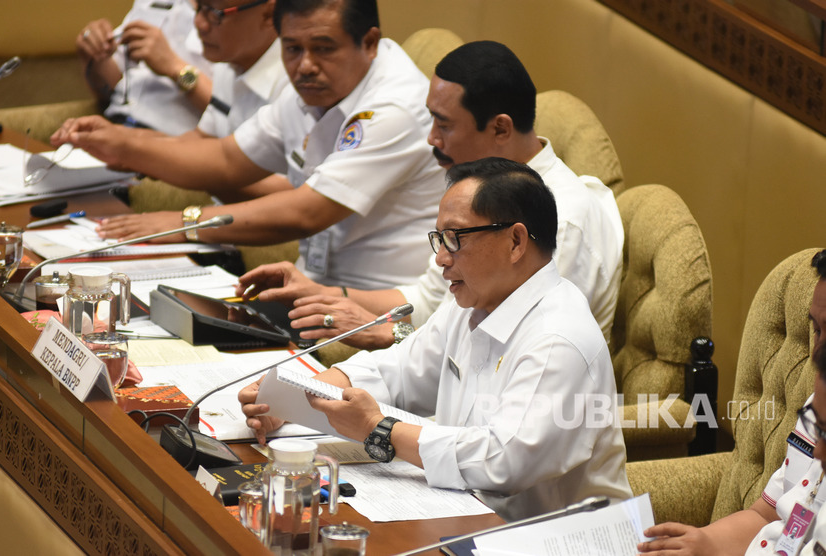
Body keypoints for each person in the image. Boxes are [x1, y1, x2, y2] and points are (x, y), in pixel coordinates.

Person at [239, 158, 633, 522]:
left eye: (455, 238)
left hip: (548, 539)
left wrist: (380, 429)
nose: (442, 257)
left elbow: (503, 460)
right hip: (461, 513)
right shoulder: (472, 303)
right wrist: (287, 400)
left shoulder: (558, 338)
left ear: (515, 242)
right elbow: (396, 373)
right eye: (439, 238)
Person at [234, 40, 623, 349]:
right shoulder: (479, 190)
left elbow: (491, 347)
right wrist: (321, 293)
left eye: (444, 125)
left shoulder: (561, 220)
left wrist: (386, 333)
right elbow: (427, 301)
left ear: (501, 129)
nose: (431, 139)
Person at [52, 0, 442, 291]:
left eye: (323, 48)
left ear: (369, 42)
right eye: (292, 49)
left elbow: (305, 212)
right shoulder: (314, 89)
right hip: (310, 285)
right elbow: (224, 159)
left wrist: (184, 222)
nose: (304, 65)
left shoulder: (395, 106)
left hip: (374, 307)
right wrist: (122, 144)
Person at [638, 248, 826, 555]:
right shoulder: (817, 406)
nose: (817, 352)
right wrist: (704, 543)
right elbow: (764, 515)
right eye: (816, 330)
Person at [81, 0, 290, 203]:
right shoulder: (229, 63)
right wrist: (126, 141)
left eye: (215, 13)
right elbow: (203, 140)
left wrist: (187, 223)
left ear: (268, 15)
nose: (199, 23)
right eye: (198, 7)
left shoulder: (295, 80)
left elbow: (289, 195)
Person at [77, 0, 214, 133]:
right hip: (116, 126)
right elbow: (112, 89)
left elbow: (230, 119)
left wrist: (175, 67)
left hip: (175, 143)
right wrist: (95, 53)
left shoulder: (228, 14)